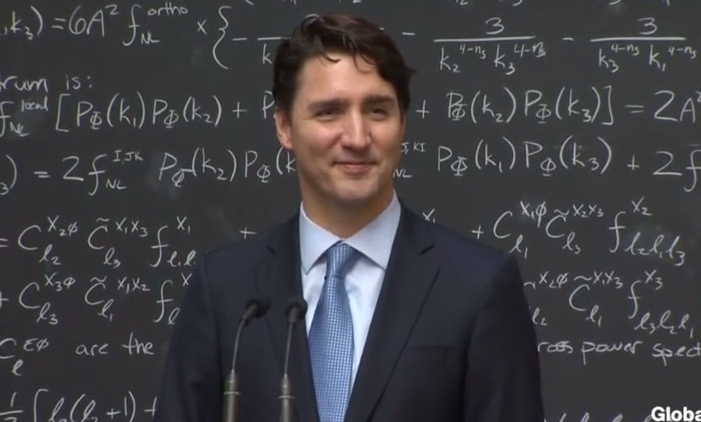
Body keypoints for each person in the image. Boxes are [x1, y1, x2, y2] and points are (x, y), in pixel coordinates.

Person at [152, 13, 544, 422]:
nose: (357, 137)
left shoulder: (478, 286)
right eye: (329, 112)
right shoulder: (225, 289)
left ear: (403, 123)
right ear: (284, 126)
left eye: (377, 111)